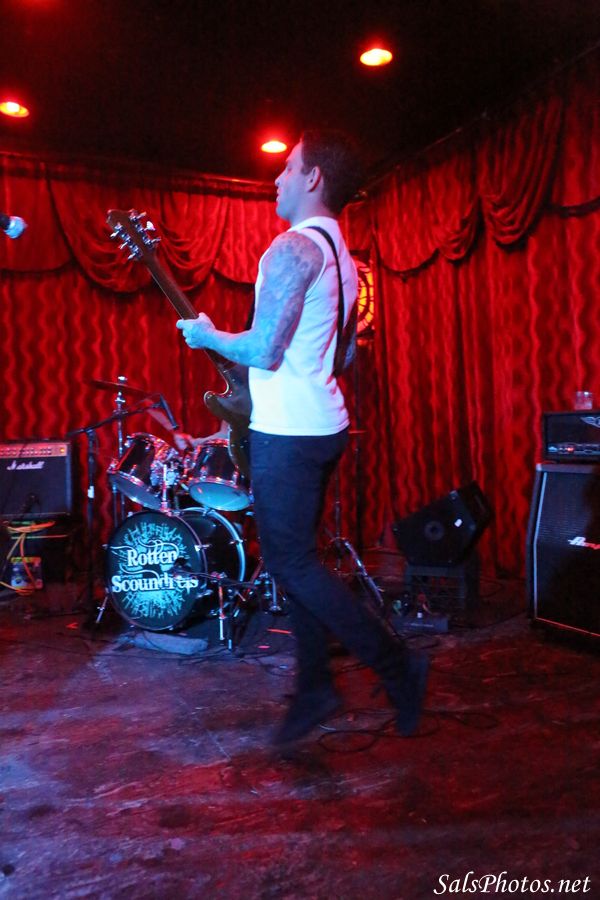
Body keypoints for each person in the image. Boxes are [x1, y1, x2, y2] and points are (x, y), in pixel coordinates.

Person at [177, 129, 428, 745]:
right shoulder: (343, 255)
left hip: (288, 435)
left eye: (288, 167)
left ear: (314, 178)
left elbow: (265, 349)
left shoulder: (292, 248)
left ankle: (398, 666)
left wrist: (207, 335)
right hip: (321, 426)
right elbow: (341, 355)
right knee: (298, 565)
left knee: (291, 564)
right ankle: (315, 687)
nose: (277, 177)